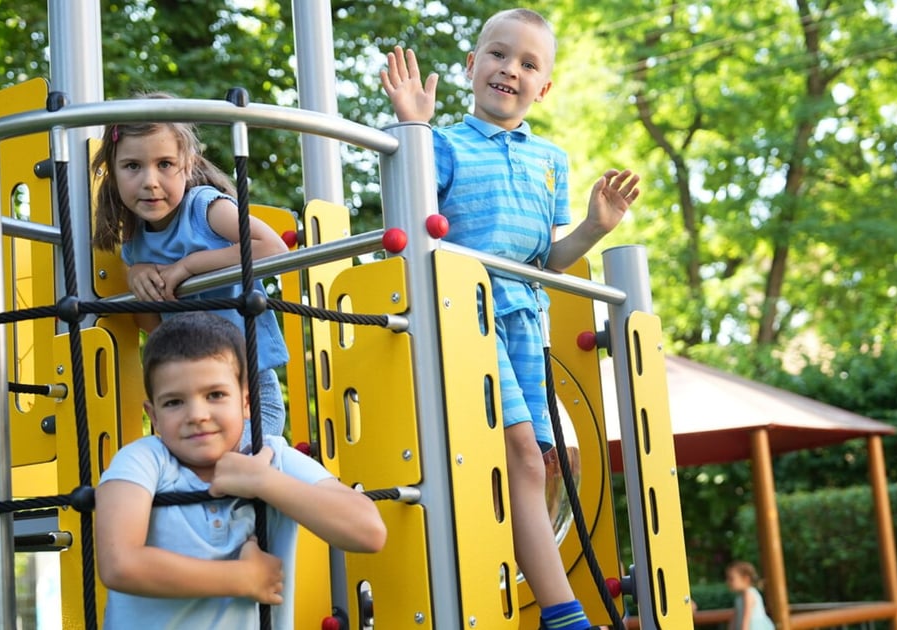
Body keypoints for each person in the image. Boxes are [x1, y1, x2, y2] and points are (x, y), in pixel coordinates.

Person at [380, 9, 640, 630]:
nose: (510, 70)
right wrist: (413, 127)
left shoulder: (551, 159)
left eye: (528, 64)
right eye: (498, 55)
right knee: (521, 454)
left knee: (537, 463)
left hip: (527, 316)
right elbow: (407, 222)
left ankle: (545, 602)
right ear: (473, 66)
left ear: (543, 88)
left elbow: (548, 260)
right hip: (467, 308)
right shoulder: (442, 144)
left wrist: (594, 228)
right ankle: (564, 615)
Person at [95, 312, 386, 629]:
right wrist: (241, 578)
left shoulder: (270, 458)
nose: (197, 415)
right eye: (174, 402)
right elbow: (118, 563)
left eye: (215, 395)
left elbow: (368, 531)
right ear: (153, 415)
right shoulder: (143, 459)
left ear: (247, 402)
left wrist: (262, 481)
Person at [91, 93, 291, 438]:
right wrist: (136, 277)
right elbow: (155, 329)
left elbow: (272, 249)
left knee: (232, 464)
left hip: (250, 392)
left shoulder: (205, 209)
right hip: (191, 395)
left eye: (165, 164)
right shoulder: (135, 244)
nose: (150, 181)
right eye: (132, 166)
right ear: (114, 173)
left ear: (188, 165)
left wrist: (190, 266)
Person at [726, 561, 775, 630]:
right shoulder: (739, 597)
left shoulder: (748, 594)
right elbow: (735, 617)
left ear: (746, 579)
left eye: (731, 579)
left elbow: (746, 618)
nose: (728, 582)